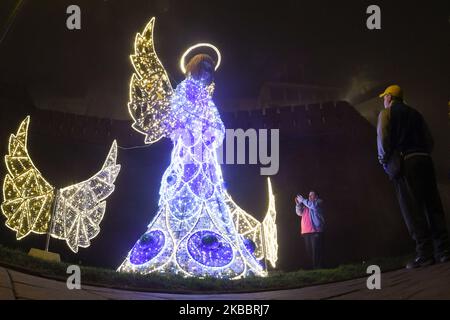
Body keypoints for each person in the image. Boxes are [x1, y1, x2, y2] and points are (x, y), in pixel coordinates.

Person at [377, 84, 450, 269]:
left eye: (385, 97)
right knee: (433, 206)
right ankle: (444, 251)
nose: (384, 100)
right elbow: (430, 140)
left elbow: (383, 140)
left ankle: (424, 254)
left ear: (389, 98)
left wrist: (386, 163)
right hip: (425, 159)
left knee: (413, 210)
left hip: (406, 162)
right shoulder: (416, 113)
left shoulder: (386, 114)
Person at [295, 191, 325, 269]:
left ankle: (318, 268)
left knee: (316, 251)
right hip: (305, 231)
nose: (309, 197)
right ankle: (311, 269)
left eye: (312, 195)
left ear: (316, 196)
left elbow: (313, 207)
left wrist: (303, 200)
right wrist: (298, 204)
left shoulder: (318, 202)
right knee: (309, 251)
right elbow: (299, 213)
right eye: (309, 195)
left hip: (315, 231)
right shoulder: (307, 205)